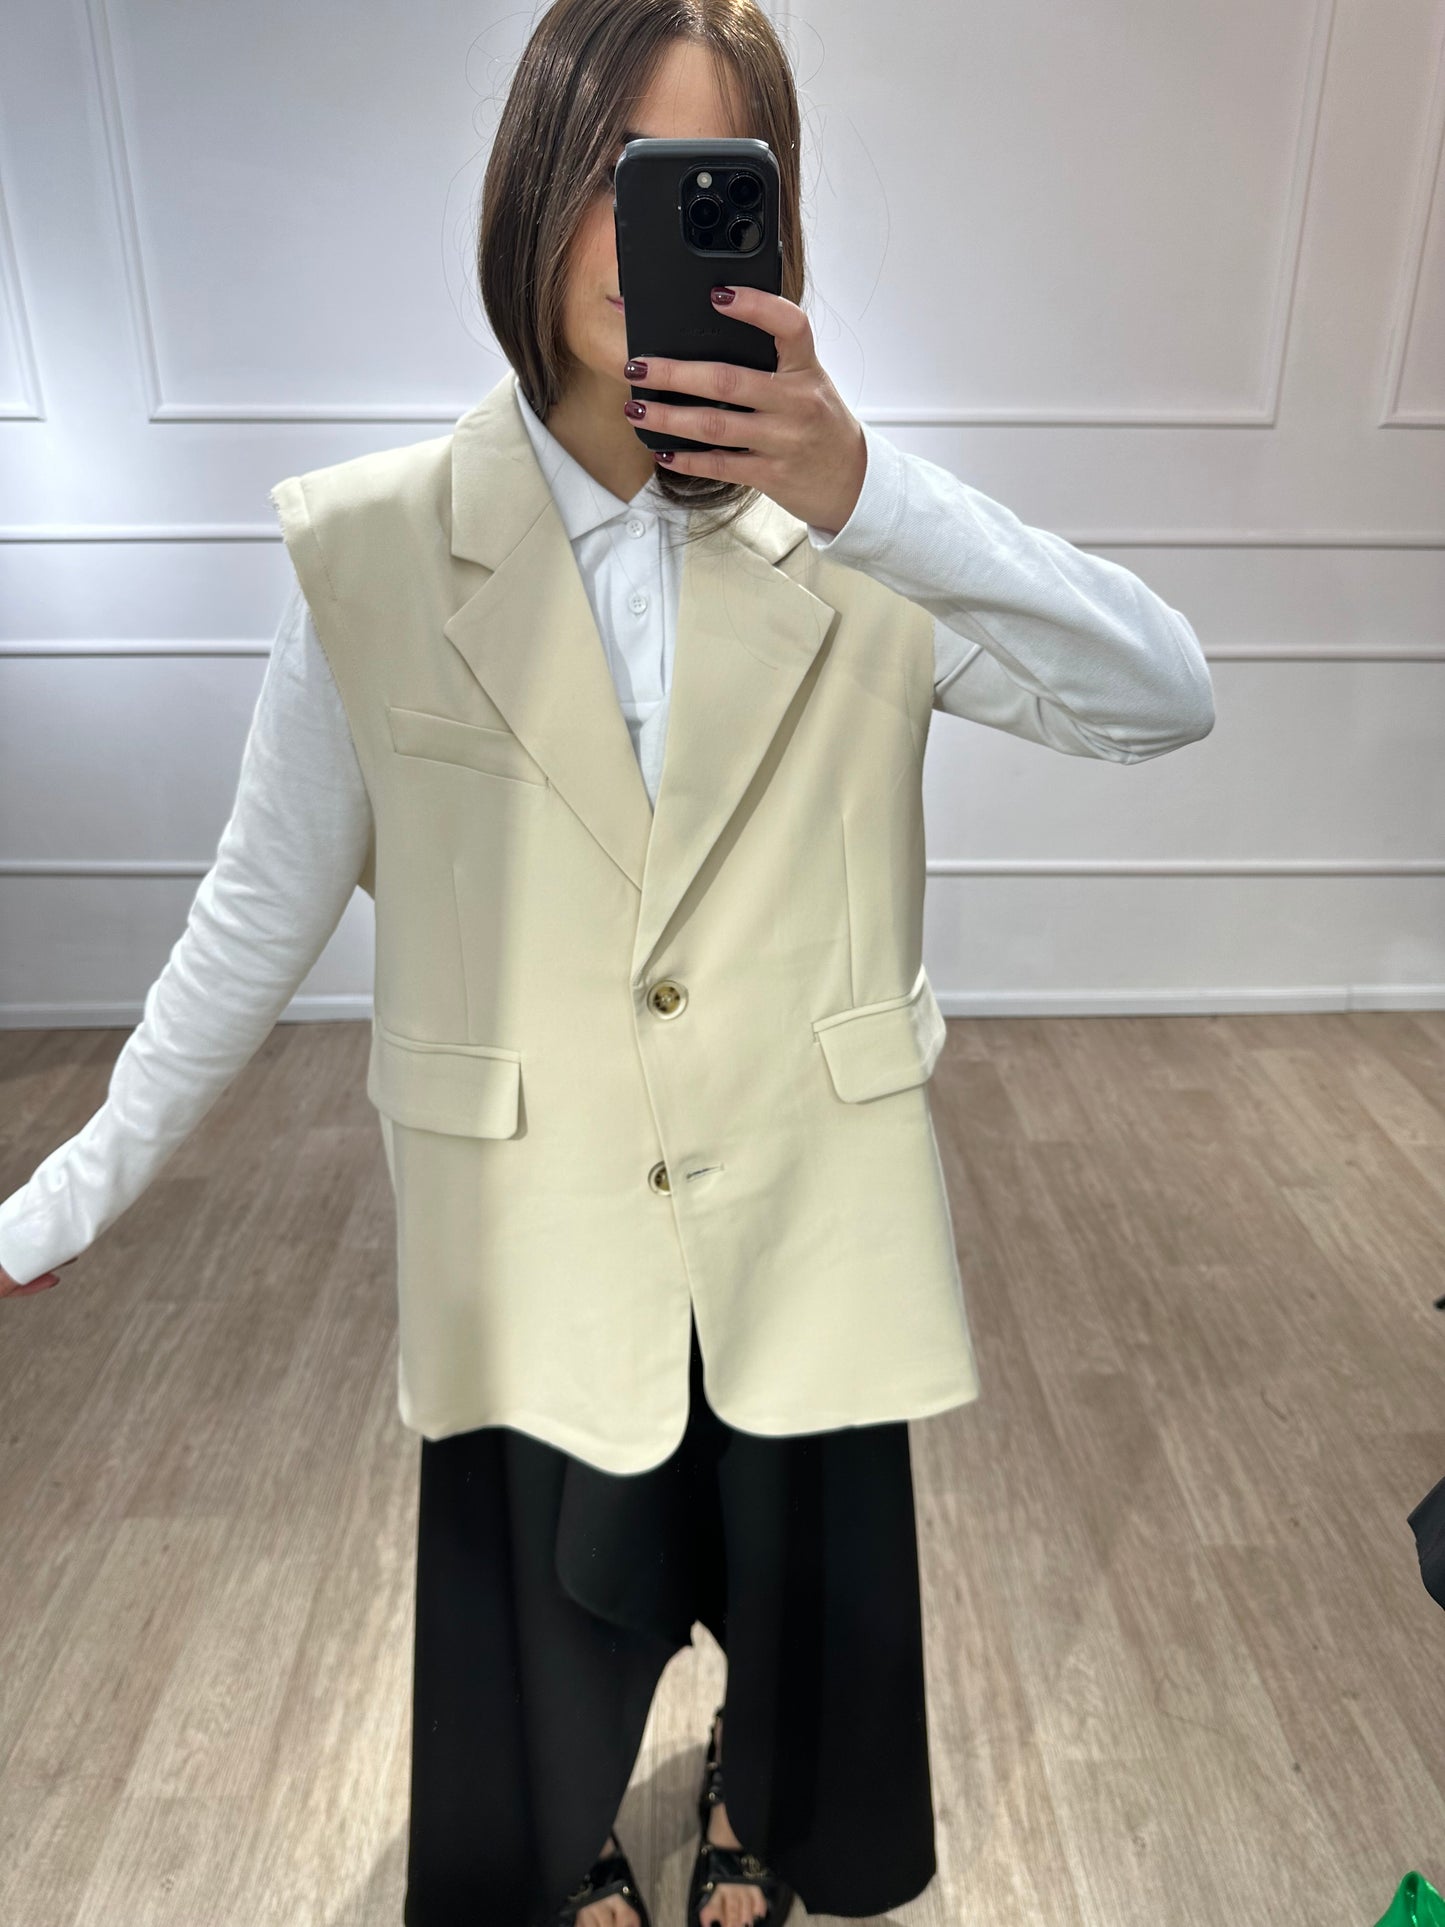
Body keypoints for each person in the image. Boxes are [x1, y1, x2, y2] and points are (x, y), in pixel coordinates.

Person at [0, 4, 1215, 1925]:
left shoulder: (860, 543)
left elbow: (1159, 700)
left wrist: (868, 488)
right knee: (536, 1645)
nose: (624, 236)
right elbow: (257, 908)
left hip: (807, 1209)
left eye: (693, 183)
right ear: (526, 185)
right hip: (532, 1230)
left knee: (801, 1613)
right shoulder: (377, 553)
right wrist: (66, 1189)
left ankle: (758, 1799)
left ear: (766, 221)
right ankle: (563, 1826)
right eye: (601, 173)